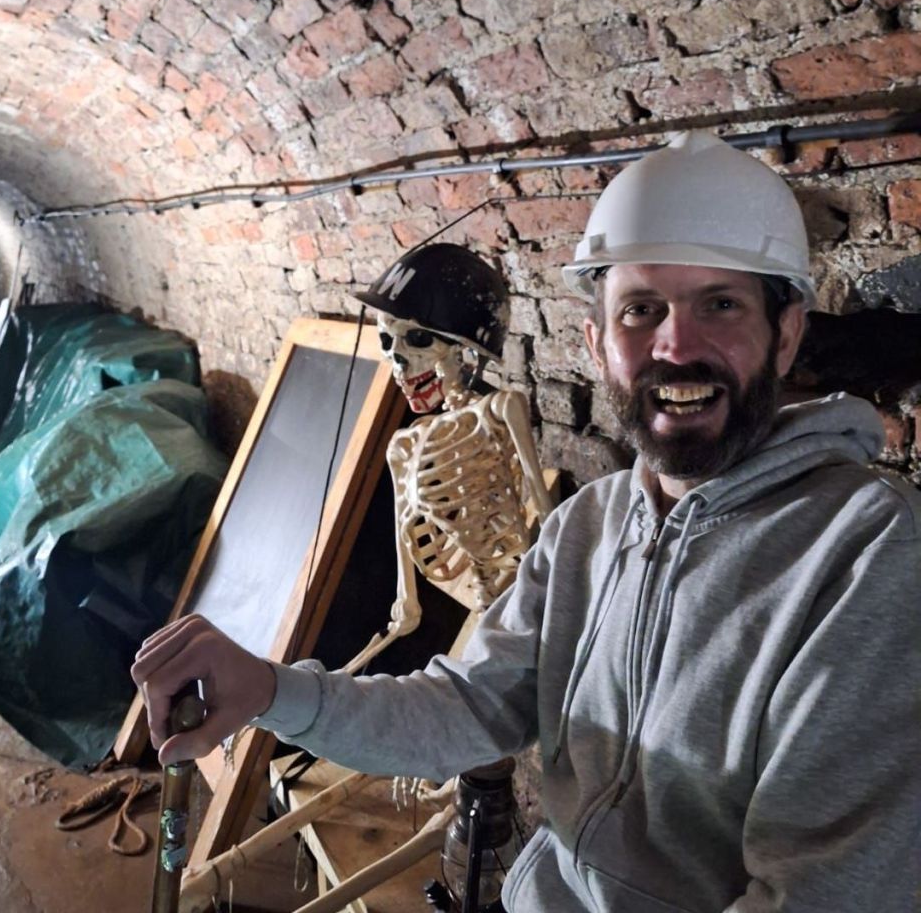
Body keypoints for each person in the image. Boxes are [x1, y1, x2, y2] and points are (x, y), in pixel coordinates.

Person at [132, 131, 921, 912]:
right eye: (641, 310)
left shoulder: (866, 551)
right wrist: (271, 690)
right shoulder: (587, 527)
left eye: (721, 305)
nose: (677, 346)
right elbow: (464, 710)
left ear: (785, 337)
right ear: (598, 346)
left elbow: (823, 894)